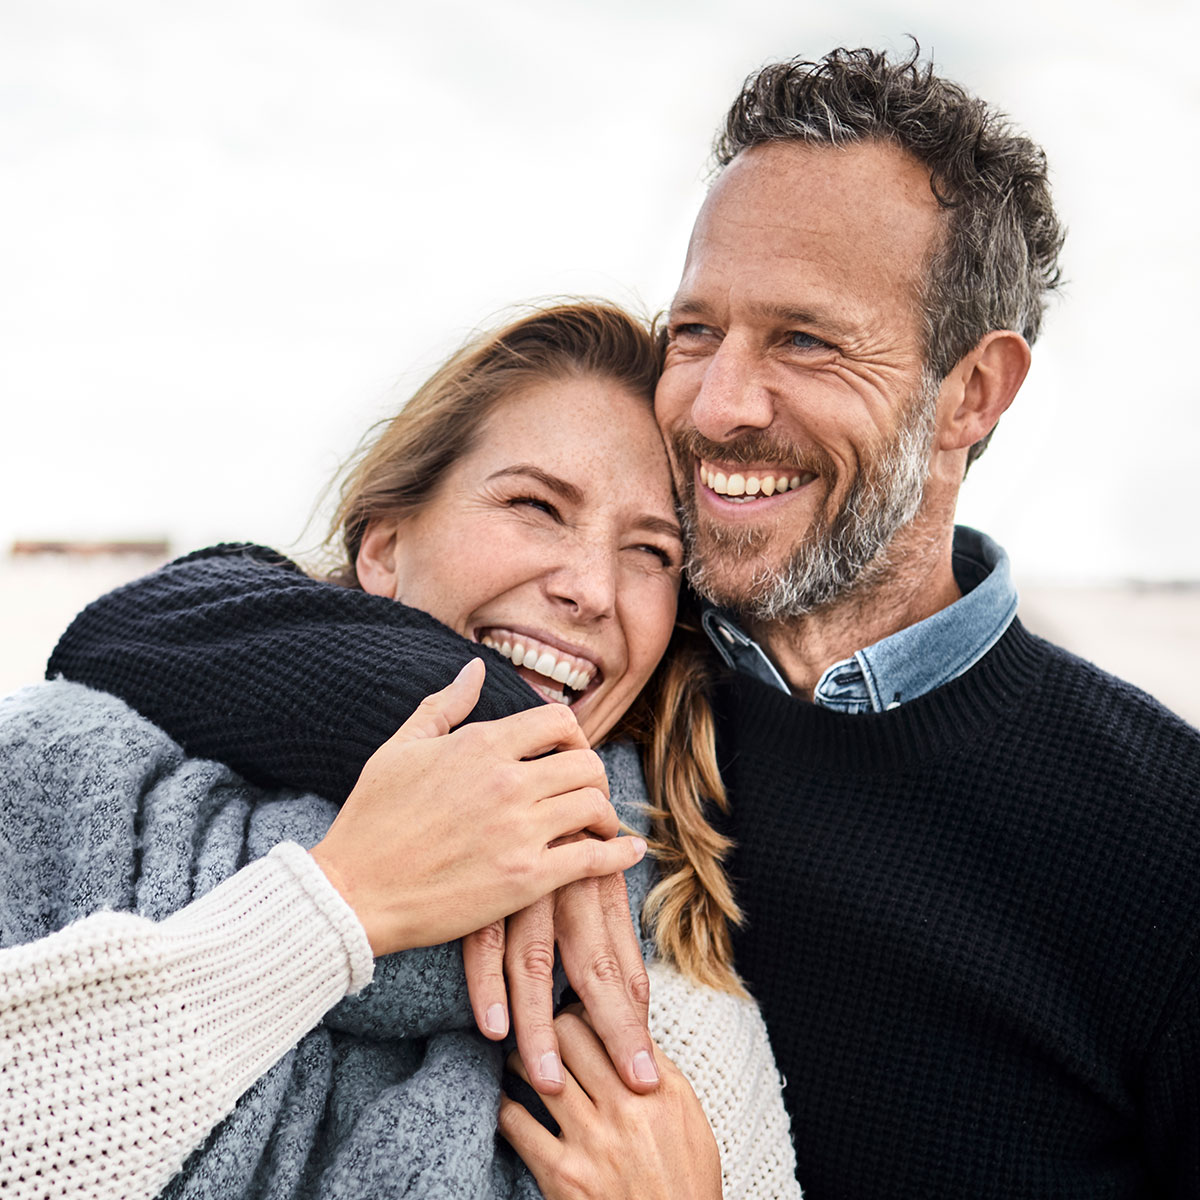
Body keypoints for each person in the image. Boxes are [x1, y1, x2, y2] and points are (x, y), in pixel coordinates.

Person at [55, 44, 1200, 1198]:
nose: (718, 403)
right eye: (697, 330)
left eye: (804, 340)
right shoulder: (639, 663)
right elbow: (140, 630)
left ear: (973, 393)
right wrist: (518, 750)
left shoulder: (1165, 834)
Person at [20, 302, 798, 1199]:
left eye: (651, 551)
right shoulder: (69, 776)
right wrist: (337, 906)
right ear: (385, 548)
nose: (589, 588)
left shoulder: (669, 977)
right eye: (536, 505)